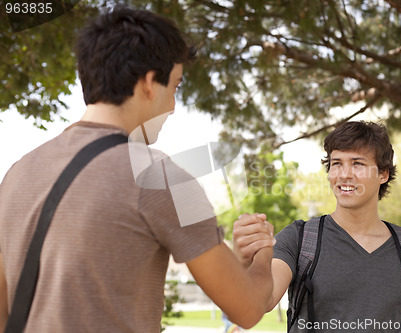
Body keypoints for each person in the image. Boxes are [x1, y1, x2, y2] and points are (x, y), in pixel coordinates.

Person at [0, 6, 275, 332]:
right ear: (148, 83)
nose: (173, 106)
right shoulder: (161, 176)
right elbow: (246, 309)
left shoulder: (19, 172)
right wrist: (263, 256)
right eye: (175, 86)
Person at [233, 121, 401, 332]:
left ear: (383, 174)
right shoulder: (299, 238)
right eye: (336, 163)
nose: (344, 174)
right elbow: (262, 301)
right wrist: (244, 261)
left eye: (358, 163)